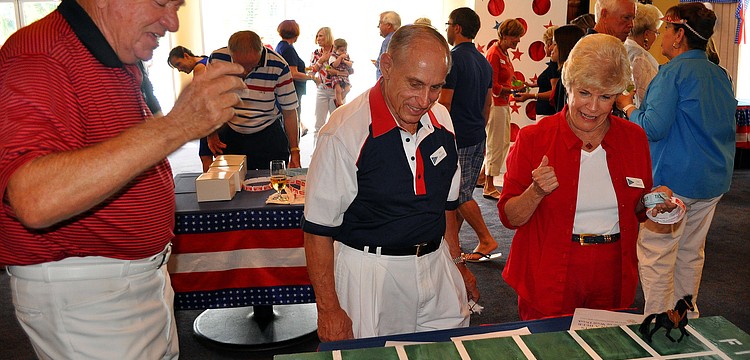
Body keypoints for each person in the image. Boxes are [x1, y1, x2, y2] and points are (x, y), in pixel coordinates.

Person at [0, 0, 246, 358]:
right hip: (90, 292)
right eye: (162, 3)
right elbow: (35, 199)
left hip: (129, 282)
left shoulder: (113, 55)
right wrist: (178, 125)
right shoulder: (39, 56)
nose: (172, 23)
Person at [303, 25, 478, 341]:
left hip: (436, 265)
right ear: (385, 66)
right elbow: (317, 231)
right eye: (415, 84)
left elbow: (447, 209)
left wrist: (457, 264)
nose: (424, 100)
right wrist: (328, 309)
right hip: (369, 274)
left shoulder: (443, 120)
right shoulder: (343, 132)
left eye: (436, 87)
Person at [498, 34, 676, 321]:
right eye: (584, 93)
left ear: (617, 95)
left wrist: (653, 202)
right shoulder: (534, 139)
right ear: (568, 86)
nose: (593, 107)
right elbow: (509, 217)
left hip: (613, 272)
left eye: (605, 96)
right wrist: (535, 192)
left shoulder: (633, 138)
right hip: (549, 271)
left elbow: (636, 209)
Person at [616, 3, 736, 318]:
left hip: (673, 184)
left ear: (679, 34)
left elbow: (651, 128)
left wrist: (628, 106)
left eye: (666, 29)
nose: (662, 36)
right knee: (690, 253)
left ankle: (658, 322)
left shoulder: (672, 73)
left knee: (657, 254)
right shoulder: (719, 74)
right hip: (712, 181)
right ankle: (685, 318)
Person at [438, 8, 498, 263]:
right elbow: (488, 104)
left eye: (448, 24)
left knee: (460, 194)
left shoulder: (453, 60)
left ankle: (486, 239)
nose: (447, 29)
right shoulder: (483, 61)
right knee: (462, 192)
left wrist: (440, 137)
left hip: (458, 137)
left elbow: (445, 105)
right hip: (476, 135)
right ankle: (452, 244)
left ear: (457, 28)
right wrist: (479, 129)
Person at [207, 30, 301, 170]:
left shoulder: (278, 65)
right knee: (234, 184)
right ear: (230, 54)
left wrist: (295, 150)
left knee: (273, 183)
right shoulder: (217, 59)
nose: (245, 71)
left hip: (267, 132)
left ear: (261, 51)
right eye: (239, 65)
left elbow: (289, 112)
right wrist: (211, 134)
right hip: (231, 131)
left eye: (251, 65)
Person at [483, 18, 526, 200]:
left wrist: (516, 87)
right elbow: (491, 85)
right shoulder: (494, 54)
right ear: (506, 35)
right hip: (495, 105)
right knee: (496, 143)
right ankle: (488, 185)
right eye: (516, 37)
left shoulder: (504, 53)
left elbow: (504, 81)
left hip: (503, 104)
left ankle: (482, 177)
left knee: (502, 143)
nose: (518, 41)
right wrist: (512, 90)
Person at [168, 45, 214, 172]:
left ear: (186, 56)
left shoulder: (200, 67)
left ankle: (211, 189)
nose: (179, 69)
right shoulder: (206, 60)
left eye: (179, 64)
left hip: (211, 118)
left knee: (207, 157)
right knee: (209, 155)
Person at [276, 19, 318, 139]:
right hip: (292, 90)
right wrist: (312, 78)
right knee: (293, 119)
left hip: (284, 90)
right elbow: (293, 74)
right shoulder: (288, 49)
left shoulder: (281, 46)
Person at [513, 26, 559, 119]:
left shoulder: (554, 66)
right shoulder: (552, 65)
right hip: (545, 112)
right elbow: (548, 83)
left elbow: (555, 92)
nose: (545, 48)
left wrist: (531, 96)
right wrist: (532, 85)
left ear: (550, 45)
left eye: (545, 44)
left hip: (547, 113)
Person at [624, 3, 663, 107]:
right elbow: (647, 99)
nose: (656, 37)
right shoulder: (641, 58)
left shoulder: (623, 48)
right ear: (646, 34)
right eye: (656, 32)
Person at [309, 27, 337, 141]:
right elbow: (311, 72)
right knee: (318, 124)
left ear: (328, 36)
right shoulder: (316, 53)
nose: (318, 38)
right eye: (317, 36)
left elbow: (346, 70)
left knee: (336, 124)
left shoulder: (336, 52)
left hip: (336, 90)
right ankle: (316, 153)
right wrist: (321, 61)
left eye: (321, 36)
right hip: (321, 89)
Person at [550, 25, 586, 112]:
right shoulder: (567, 74)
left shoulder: (570, 78)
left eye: (555, 44)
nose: (551, 48)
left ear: (564, 46)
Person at [375, 11, 401, 80]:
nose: (378, 26)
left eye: (380, 23)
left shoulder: (388, 41)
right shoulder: (401, 38)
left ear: (389, 25)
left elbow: (385, 66)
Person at [328, 38, 354, 107]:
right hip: (336, 76)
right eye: (341, 50)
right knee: (338, 89)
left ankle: (338, 101)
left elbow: (351, 64)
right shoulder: (333, 56)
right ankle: (339, 103)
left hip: (344, 76)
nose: (344, 52)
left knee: (347, 89)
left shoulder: (346, 57)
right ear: (335, 50)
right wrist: (340, 58)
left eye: (345, 50)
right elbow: (334, 65)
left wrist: (345, 61)